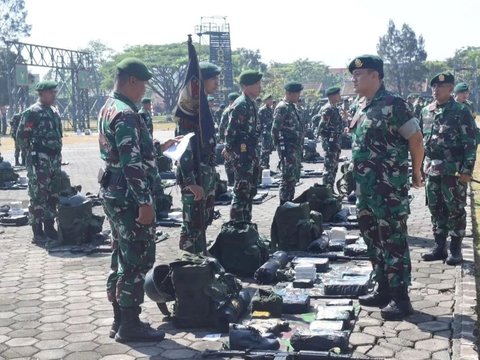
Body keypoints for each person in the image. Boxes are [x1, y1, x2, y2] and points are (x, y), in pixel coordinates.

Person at [348, 55, 424, 320]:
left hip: (388, 190)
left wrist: (416, 171)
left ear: (375, 76)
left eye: (359, 74)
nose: (354, 79)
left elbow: (415, 139)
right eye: (353, 75)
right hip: (365, 191)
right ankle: (383, 289)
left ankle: (402, 300)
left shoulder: (394, 105)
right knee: (373, 239)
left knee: (393, 241)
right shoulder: (361, 106)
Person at [98, 57, 166, 342]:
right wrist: (144, 202)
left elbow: (124, 151)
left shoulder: (108, 107)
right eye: (143, 84)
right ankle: (130, 324)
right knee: (137, 258)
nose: (144, 90)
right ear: (132, 81)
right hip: (129, 198)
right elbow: (131, 163)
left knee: (121, 257)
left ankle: (119, 320)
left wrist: (159, 147)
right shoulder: (126, 113)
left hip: (113, 193)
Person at [420, 73, 477, 265]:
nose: (436, 90)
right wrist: (419, 169)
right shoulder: (426, 111)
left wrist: (467, 169)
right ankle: (439, 247)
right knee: (436, 209)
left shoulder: (461, 111)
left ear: (451, 89)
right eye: (434, 86)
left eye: (441, 87)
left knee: (455, 209)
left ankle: (455, 249)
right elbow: (421, 142)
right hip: (432, 169)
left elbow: (470, 143)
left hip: (454, 170)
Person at [176, 62, 220, 253]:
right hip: (194, 178)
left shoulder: (202, 107)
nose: (217, 83)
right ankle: (187, 264)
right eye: (213, 79)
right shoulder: (190, 112)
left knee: (203, 220)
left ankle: (199, 258)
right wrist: (190, 182)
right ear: (201, 81)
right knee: (192, 225)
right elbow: (184, 149)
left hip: (206, 175)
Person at [17, 80, 63, 244]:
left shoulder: (53, 111)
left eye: (55, 92)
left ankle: (49, 227)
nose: (54, 95)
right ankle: (37, 231)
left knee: (53, 194)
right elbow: (22, 136)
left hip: (54, 159)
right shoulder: (32, 112)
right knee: (38, 195)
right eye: (51, 92)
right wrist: (30, 155)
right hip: (39, 160)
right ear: (42, 93)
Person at [223, 70, 262, 222]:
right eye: (256, 84)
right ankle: (237, 226)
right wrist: (228, 148)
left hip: (250, 152)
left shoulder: (250, 103)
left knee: (249, 190)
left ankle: (245, 223)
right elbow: (231, 130)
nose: (260, 87)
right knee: (241, 190)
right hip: (241, 154)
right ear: (246, 86)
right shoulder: (241, 104)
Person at [272, 81, 304, 205]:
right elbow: (275, 130)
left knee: (292, 178)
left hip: (295, 149)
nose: (299, 96)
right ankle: (284, 205)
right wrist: (281, 149)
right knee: (287, 179)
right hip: (287, 149)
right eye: (297, 94)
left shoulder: (292, 106)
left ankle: (289, 204)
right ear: (289, 93)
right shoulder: (282, 107)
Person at [318, 86, 344, 190]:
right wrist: (330, 137)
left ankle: (330, 190)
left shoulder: (334, 108)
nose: (339, 96)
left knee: (333, 167)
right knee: (329, 168)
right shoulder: (328, 109)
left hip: (335, 142)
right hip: (330, 143)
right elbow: (321, 127)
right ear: (332, 96)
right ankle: (326, 191)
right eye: (338, 94)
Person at [219, 92, 240, 186]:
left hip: (234, 140)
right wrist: (223, 140)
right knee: (229, 161)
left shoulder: (234, 110)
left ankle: (233, 181)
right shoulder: (227, 111)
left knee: (233, 161)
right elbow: (222, 127)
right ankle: (231, 181)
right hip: (230, 140)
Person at [258, 94, 274, 170]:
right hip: (264, 134)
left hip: (269, 134)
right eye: (269, 100)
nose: (271, 101)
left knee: (268, 151)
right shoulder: (262, 110)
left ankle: (267, 167)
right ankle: (263, 167)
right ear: (265, 101)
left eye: (271, 100)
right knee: (264, 152)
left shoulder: (270, 110)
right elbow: (258, 123)